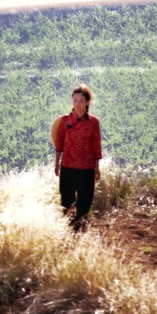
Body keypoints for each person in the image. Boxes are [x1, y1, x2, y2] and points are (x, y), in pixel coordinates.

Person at [51, 84, 102, 230]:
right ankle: (67, 232)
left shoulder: (93, 122)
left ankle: (80, 234)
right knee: (67, 202)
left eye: (80, 101)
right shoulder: (65, 120)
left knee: (84, 204)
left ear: (87, 102)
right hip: (67, 167)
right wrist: (57, 163)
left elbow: (96, 145)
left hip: (86, 168)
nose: (77, 103)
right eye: (75, 100)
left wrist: (97, 167)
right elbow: (59, 142)